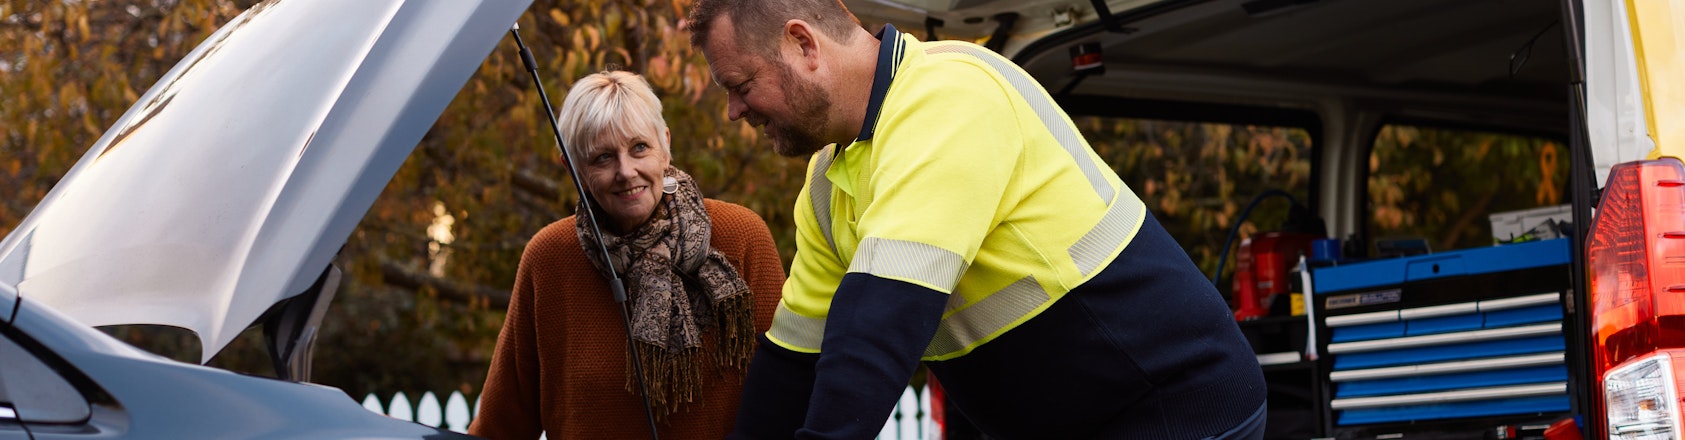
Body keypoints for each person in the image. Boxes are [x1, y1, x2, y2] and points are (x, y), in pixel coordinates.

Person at [686, 1, 1267, 438]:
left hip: (1174, 404)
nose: (735, 110)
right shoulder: (826, 186)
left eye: (741, 85)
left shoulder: (947, 99)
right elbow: (793, 364)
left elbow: (874, 332)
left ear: (802, 45)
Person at [468, 70, 785, 439]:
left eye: (639, 147)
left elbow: (784, 392)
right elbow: (500, 425)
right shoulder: (549, 259)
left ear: (665, 145)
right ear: (573, 170)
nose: (625, 171)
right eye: (602, 157)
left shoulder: (741, 237)